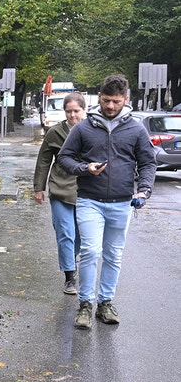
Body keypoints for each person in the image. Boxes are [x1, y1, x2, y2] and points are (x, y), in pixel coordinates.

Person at [57, 74, 156, 330]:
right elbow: (64, 158)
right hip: (90, 200)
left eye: (116, 101)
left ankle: (105, 303)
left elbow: (147, 163)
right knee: (91, 251)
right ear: (99, 97)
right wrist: (84, 168)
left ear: (125, 99)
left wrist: (143, 191)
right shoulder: (83, 128)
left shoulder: (135, 129)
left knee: (113, 255)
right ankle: (85, 305)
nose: (111, 106)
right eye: (106, 100)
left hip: (123, 203)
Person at [33, 92, 86, 295]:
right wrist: (39, 188)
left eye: (76, 111)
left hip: (85, 191)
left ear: (84, 110)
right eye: (69, 111)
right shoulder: (55, 132)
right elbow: (44, 160)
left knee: (80, 236)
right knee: (66, 233)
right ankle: (69, 276)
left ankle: (71, 260)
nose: (72, 115)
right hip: (60, 188)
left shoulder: (92, 130)